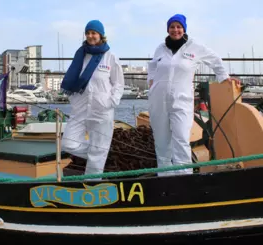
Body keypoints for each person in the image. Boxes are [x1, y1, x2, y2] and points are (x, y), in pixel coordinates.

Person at [147, 14, 240, 176]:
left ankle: (184, 179)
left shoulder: (194, 47)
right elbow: (153, 66)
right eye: (172, 27)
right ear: (168, 29)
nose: (175, 30)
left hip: (181, 101)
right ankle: (164, 179)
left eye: (178, 27)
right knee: (161, 143)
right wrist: (151, 81)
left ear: (184, 29)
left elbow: (215, 60)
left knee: (181, 140)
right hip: (158, 101)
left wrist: (224, 77)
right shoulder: (161, 48)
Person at [60, 20, 125, 177]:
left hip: (101, 109)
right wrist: (74, 101)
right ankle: (100, 152)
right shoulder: (81, 54)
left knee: (98, 152)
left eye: (94, 33)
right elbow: (74, 79)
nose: (90, 36)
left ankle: (93, 184)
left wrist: (110, 102)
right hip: (80, 107)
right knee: (68, 143)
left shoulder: (110, 57)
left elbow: (118, 84)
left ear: (101, 35)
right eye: (88, 32)